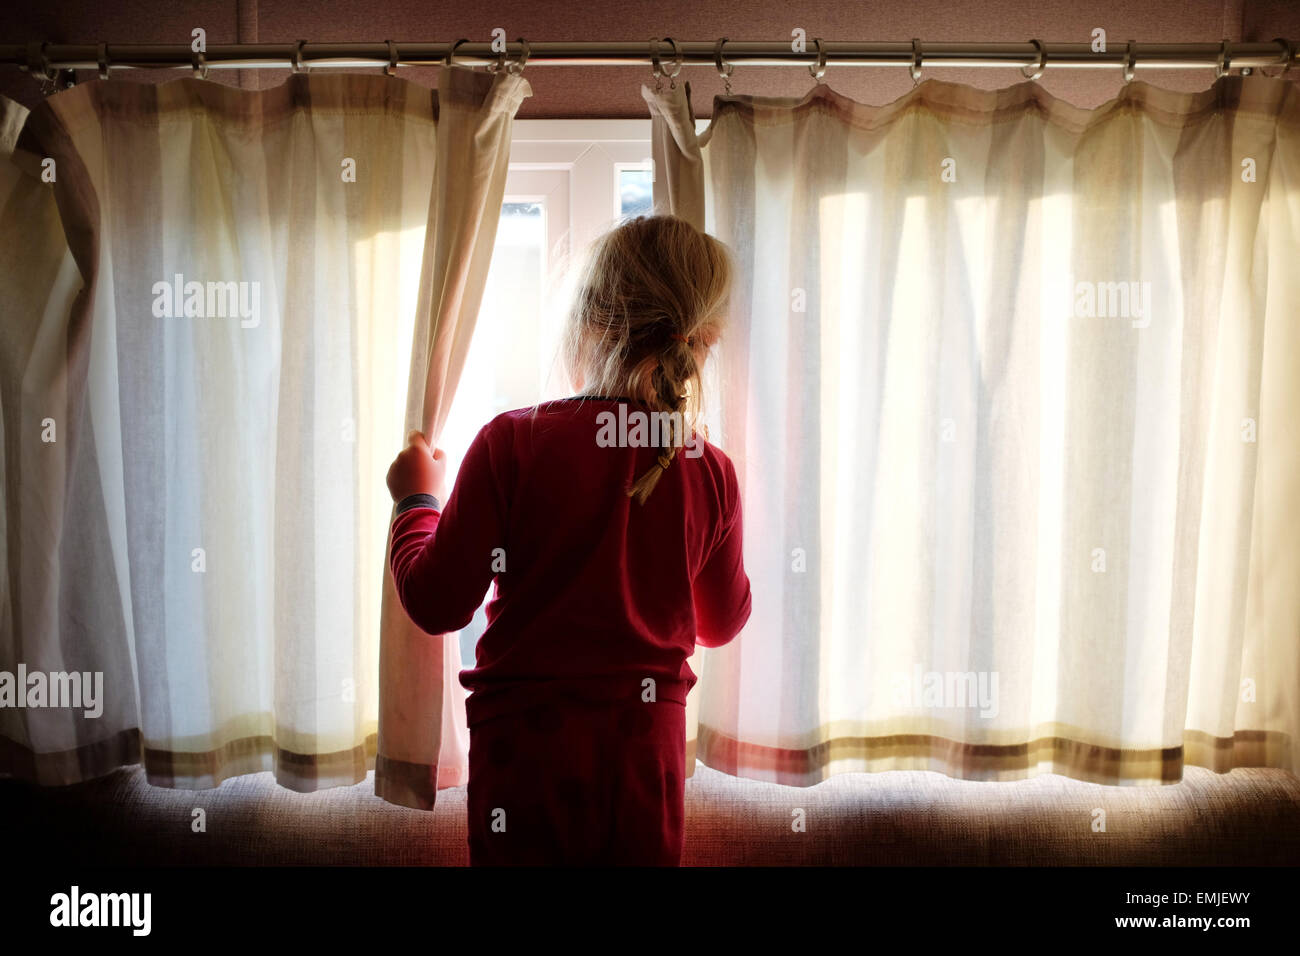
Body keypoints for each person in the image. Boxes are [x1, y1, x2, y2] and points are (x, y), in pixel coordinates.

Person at [385, 214, 751, 865]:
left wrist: (416, 499)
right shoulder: (710, 469)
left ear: (586, 323)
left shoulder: (513, 444)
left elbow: (438, 602)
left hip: (525, 747)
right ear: (702, 343)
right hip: (647, 748)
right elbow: (721, 622)